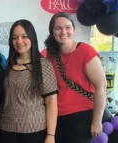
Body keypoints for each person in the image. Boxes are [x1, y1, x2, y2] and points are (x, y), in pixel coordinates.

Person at [43, 12, 107, 143]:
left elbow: (101, 86)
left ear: (73, 29)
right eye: (58, 28)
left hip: (81, 118)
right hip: (55, 119)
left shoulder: (86, 52)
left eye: (67, 27)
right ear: (52, 31)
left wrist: (97, 121)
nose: (63, 32)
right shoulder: (48, 55)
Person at [0, 19, 58, 143]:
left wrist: (51, 135)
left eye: (24, 36)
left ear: (32, 38)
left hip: (34, 130)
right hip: (6, 129)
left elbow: (51, 101)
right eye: (15, 37)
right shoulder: (9, 63)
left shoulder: (43, 65)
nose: (19, 41)